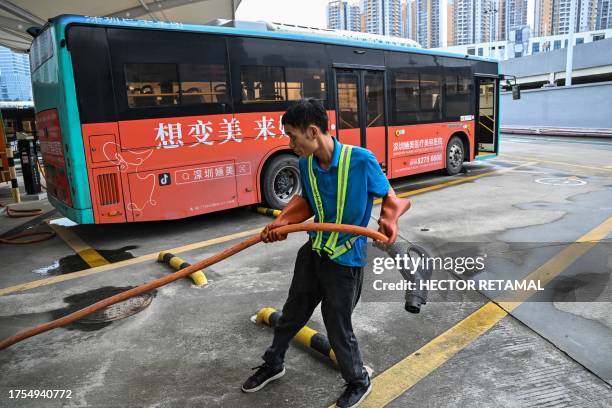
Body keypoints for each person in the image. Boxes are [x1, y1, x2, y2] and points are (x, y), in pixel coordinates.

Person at [241, 98, 409, 408]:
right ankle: (273, 363)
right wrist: (282, 222)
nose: (291, 144)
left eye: (293, 136)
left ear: (313, 131)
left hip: (346, 261)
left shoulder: (361, 160)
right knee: (292, 313)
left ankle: (358, 380)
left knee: (336, 325)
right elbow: (307, 202)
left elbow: (390, 197)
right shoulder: (306, 164)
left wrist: (389, 220)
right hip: (314, 252)